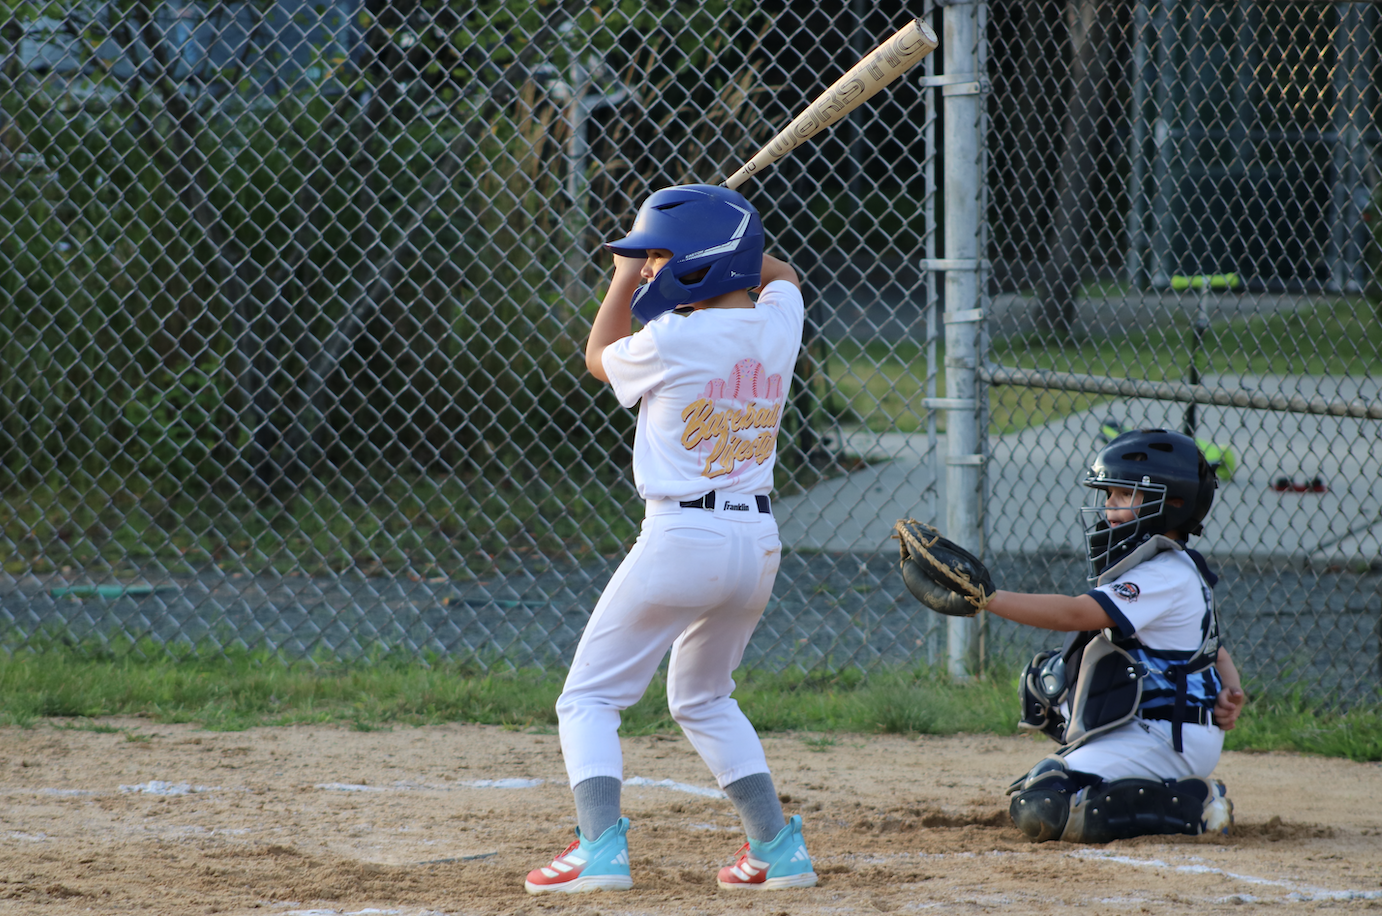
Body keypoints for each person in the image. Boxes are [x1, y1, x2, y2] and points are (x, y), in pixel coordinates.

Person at [524, 184, 817, 894]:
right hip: (756, 543)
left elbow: (598, 356)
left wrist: (626, 272)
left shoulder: (673, 339)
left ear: (697, 267)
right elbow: (785, 277)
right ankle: (776, 848)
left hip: (682, 534)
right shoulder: (778, 322)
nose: (648, 269)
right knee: (706, 698)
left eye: (657, 259)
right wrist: (724, 239)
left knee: (587, 699)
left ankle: (598, 848)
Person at [988, 427, 1248, 843]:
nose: (1108, 509)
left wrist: (990, 599)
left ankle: (1196, 806)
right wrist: (1232, 691)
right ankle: (1168, 788)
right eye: (1108, 495)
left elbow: (1075, 613)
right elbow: (1214, 650)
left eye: (1123, 496)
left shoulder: (1165, 572)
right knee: (1050, 679)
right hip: (1161, 727)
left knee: (1046, 803)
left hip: (1168, 735)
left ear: (1174, 503)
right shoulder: (1168, 566)